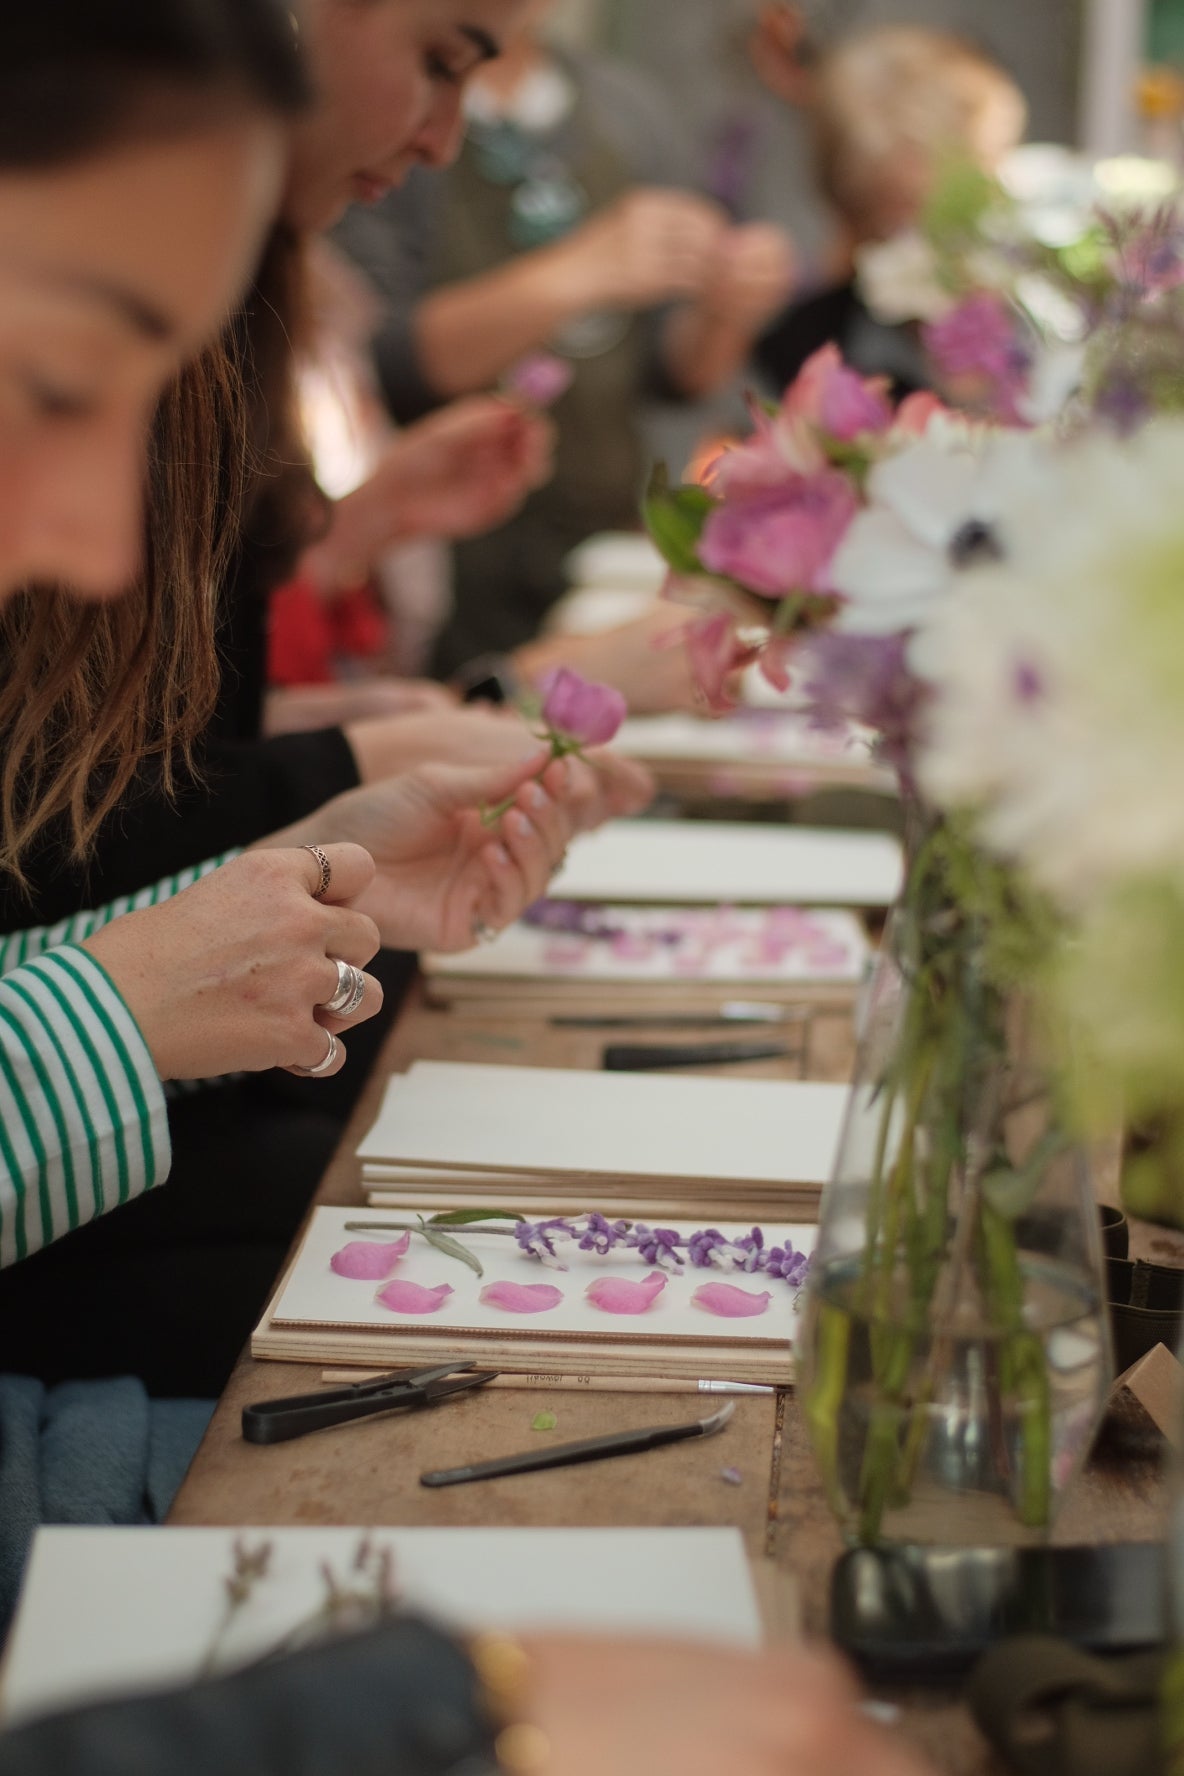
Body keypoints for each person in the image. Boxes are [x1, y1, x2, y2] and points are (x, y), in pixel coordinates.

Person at [334, 0, 795, 677]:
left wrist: (729, 307)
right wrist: (579, 272)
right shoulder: (398, 113)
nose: (443, 128)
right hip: (443, 561)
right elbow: (379, 358)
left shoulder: (625, 109)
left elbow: (677, 372)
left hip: (603, 540)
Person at [754, 25, 1027, 397]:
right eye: (900, 218)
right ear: (853, 217)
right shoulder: (813, 355)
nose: (932, 234)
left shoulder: (1047, 308)